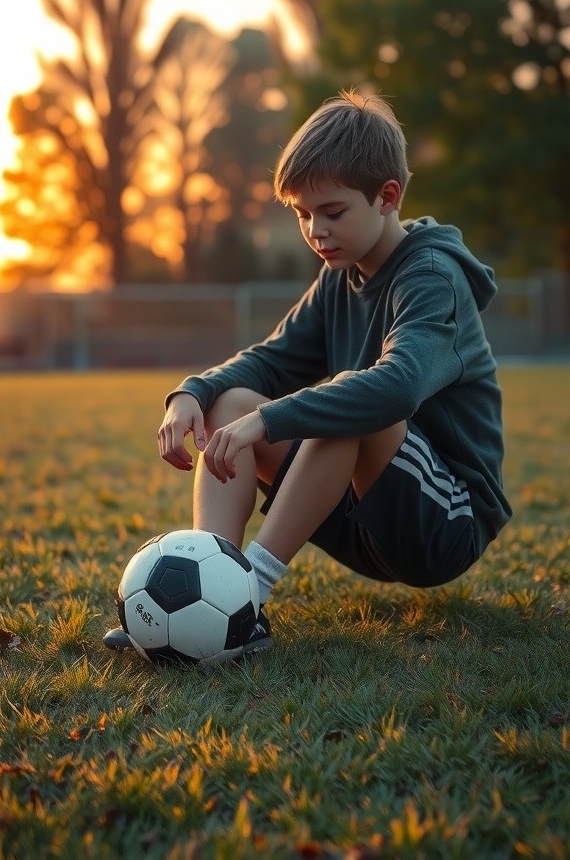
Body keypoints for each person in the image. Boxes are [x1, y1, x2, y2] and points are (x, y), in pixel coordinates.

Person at [104, 89, 511, 655]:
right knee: (232, 404)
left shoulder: (434, 277)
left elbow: (397, 386)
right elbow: (272, 358)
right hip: (359, 512)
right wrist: (192, 393)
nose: (316, 231)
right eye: (302, 215)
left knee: (349, 402)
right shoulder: (338, 274)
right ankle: (216, 598)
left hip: (443, 522)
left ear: (387, 196)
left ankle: (247, 599)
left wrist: (270, 421)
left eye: (333, 212)